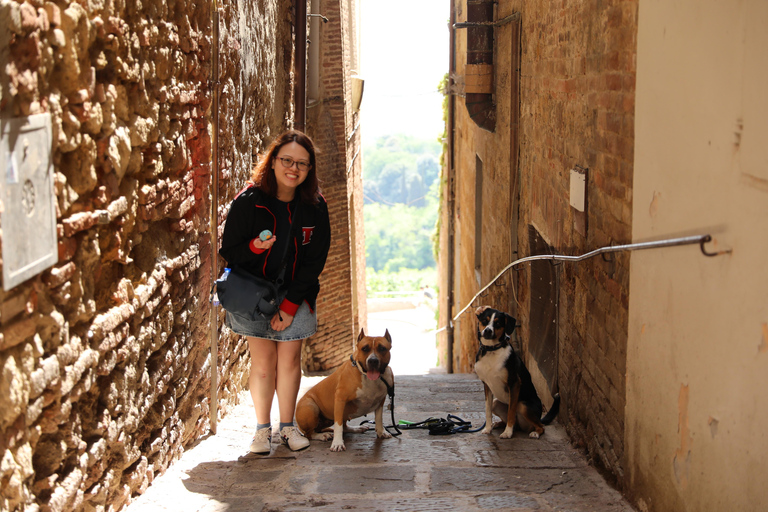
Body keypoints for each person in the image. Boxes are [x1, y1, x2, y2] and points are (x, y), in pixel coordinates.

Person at [219, 130, 331, 453]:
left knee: (290, 359)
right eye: (287, 160)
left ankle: (287, 427)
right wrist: (256, 246)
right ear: (273, 161)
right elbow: (231, 250)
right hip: (255, 296)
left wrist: (292, 304)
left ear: (309, 170)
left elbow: (315, 259)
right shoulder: (249, 201)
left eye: (302, 164)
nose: (293, 169)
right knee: (264, 363)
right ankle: (261, 430)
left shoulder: (315, 207)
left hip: (297, 293)